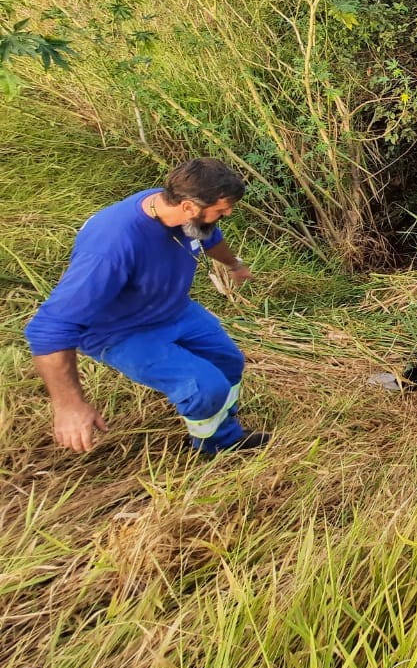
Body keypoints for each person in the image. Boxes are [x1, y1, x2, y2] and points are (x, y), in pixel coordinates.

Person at [24, 158, 270, 455]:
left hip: (172, 309)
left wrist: (234, 264)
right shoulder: (111, 246)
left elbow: (208, 236)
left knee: (228, 362)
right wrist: (69, 405)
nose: (228, 213)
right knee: (205, 387)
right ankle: (214, 447)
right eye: (222, 209)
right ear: (189, 207)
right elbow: (48, 328)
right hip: (121, 331)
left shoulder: (181, 211)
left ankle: (221, 433)